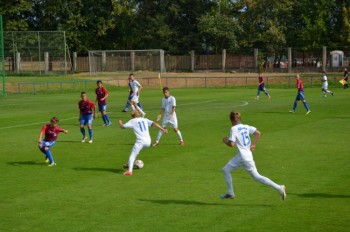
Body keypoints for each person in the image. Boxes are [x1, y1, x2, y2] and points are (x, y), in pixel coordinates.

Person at [221, 111, 286, 200]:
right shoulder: (246, 127)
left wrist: (225, 141)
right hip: (247, 156)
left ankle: (279, 187)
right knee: (227, 170)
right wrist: (254, 144)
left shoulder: (234, 129)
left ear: (232, 120)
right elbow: (258, 133)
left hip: (242, 157)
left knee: (227, 171)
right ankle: (230, 193)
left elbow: (232, 144)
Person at [118, 110, 168, 176]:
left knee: (132, 155)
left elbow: (122, 127)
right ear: (138, 114)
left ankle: (129, 171)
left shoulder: (132, 121)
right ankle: (129, 164)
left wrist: (120, 123)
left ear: (133, 116)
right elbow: (154, 123)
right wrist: (163, 129)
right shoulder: (145, 119)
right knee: (135, 153)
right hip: (148, 142)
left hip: (140, 141)